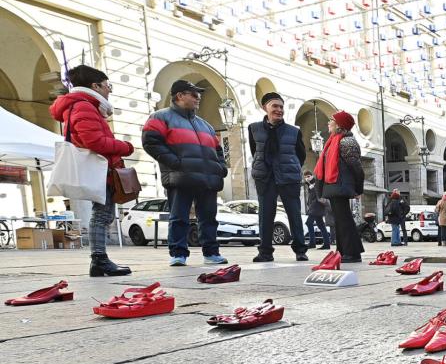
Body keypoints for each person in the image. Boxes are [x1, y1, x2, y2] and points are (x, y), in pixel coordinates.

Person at [48, 65, 135, 277]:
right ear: (95, 86)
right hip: (100, 169)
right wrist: (125, 146)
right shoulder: (84, 106)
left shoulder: (82, 106)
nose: (109, 90)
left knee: (103, 214)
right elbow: (93, 141)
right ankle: (99, 260)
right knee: (101, 214)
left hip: (100, 168)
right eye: (107, 85)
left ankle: (100, 259)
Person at [142, 80, 228, 266]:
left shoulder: (205, 125)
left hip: (208, 178)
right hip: (181, 176)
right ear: (180, 96)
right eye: (194, 94)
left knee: (209, 218)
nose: (198, 98)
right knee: (179, 216)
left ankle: (211, 253)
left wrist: (221, 167)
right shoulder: (160, 117)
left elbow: (218, 149)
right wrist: (175, 163)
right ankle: (178, 254)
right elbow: (151, 142)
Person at [247, 92, 308, 263]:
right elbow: (255, 151)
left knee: (294, 214)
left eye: (281, 107)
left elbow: (300, 155)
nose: (279, 110)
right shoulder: (253, 128)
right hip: (265, 177)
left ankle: (300, 250)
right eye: (275, 106)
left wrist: (289, 166)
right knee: (265, 215)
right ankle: (265, 252)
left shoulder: (294, 131)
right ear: (265, 107)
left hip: (288, 177)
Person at [315, 111, 364, 263]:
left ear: (340, 125)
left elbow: (356, 168)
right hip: (335, 185)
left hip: (340, 185)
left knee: (344, 220)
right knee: (341, 220)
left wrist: (358, 189)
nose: (328, 123)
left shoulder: (346, 142)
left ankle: (351, 253)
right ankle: (344, 251)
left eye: (331, 120)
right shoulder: (333, 140)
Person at [302, 171, 331, 249]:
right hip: (316, 206)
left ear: (312, 176)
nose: (307, 178)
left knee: (309, 223)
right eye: (305, 177)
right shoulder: (309, 184)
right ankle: (327, 244)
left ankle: (312, 243)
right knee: (320, 224)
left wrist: (311, 205)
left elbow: (317, 195)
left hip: (316, 206)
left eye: (308, 176)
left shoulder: (315, 183)